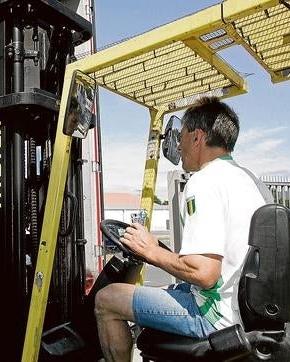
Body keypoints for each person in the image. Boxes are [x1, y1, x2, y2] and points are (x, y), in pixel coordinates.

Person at [94, 97, 273, 361]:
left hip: (215, 316)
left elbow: (204, 272)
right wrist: (155, 250)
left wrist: (151, 251)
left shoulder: (204, 181)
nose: (178, 144)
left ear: (197, 138)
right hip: (244, 307)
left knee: (107, 299)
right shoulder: (253, 183)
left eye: (182, 136)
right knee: (161, 292)